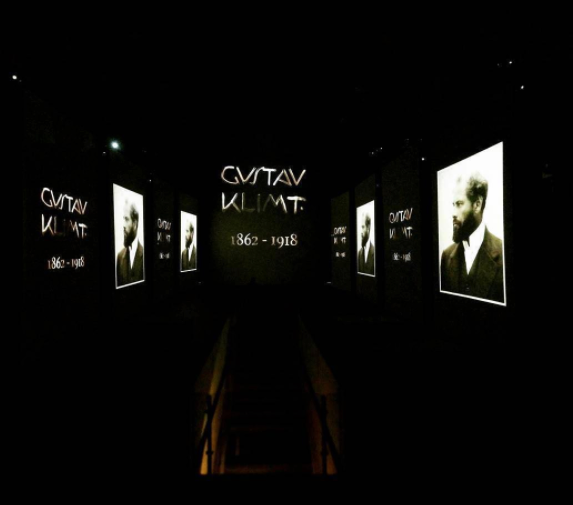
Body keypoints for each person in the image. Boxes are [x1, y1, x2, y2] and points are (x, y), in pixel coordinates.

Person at [440, 172, 504, 303]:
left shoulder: (503, 254)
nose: (453, 213)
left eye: (459, 204)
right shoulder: (446, 256)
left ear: (477, 205)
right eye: (453, 205)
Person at [116, 200, 144, 287]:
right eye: (123, 219)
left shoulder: (144, 255)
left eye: (126, 219)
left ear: (135, 224)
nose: (123, 225)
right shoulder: (119, 257)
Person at [358, 211, 375, 275]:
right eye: (361, 227)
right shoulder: (359, 254)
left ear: (368, 227)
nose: (361, 232)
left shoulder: (375, 252)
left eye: (363, 227)